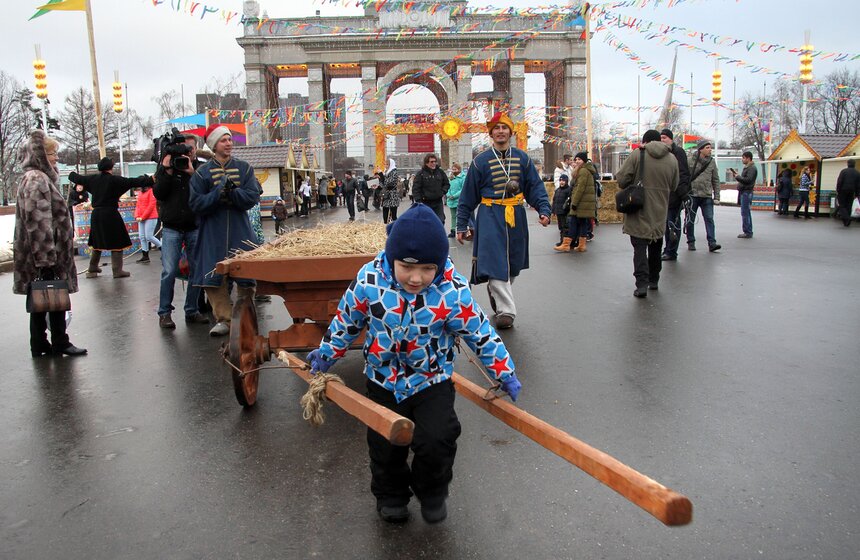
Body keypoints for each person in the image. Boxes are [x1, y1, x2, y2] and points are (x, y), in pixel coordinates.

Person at [305, 203, 521, 524]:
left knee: (438, 439)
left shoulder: (452, 291)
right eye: (406, 267)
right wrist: (327, 353)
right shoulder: (369, 281)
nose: (416, 278)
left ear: (440, 264)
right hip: (383, 379)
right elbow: (347, 321)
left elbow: (480, 334)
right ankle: (391, 495)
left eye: (427, 268)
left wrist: (504, 372)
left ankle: (432, 490)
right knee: (384, 444)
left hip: (431, 379)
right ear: (392, 258)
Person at [455, 112, 552, 329]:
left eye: (504, 127)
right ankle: (506, 311)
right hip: (490, 216)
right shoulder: (480, 161)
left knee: (512, 266)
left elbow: (535, 187)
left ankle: (496, 292)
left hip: (516, 216)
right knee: (495, 262)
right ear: (490, 133)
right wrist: (462, 224)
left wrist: (543, 209)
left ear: (510, 131)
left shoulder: (523, 158)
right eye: (496, 128)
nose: (500, 131)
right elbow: (468, 196)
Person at [13, 130, 86, 357]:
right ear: (40, 155)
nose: (55, 158)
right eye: (51, 153)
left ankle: (42, 342)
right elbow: (38, 222)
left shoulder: (37, 177)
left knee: (42, 299)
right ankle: (59, 341)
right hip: (46, 255)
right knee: (52, 297)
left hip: (45, 254)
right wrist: (46, 259)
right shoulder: (37, 179)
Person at [189, 124, 260, 337]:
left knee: (246, 276)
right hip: (212, 231)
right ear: (214, 144)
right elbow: (195, 203)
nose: (229, 143)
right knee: (213, 277)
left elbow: (251, 196)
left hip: (240, 229)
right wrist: (217, 194)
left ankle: (244, 315)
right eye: (224, 140)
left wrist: (234, 194)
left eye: (230, 139)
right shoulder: (202, 174)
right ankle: (224, 319)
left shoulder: (244, 168)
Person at [152, 132, 209, 329]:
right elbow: (158, 193)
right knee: (169, 271)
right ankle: (164, 313)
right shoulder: (166, 169)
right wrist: (167, 170)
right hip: (171, 228)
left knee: (196, 270)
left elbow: (204, 191)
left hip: (194, 225)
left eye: (190, 149)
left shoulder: (199, 170)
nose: (187, 153)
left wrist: (192, 173)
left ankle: (192, 310)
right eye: (184, 149)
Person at [615, 129, 678, 298]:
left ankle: (641, 284)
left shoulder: (638, 154)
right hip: (660, 210)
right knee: (656, 246)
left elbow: (621, 180)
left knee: (640, 248)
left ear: (645, 141)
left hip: (639, 209)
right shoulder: (672, 159)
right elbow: (675, 185)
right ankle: (654, 280)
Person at [70, 157, 153, 279]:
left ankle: (92, 268)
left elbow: (76, 178)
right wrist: (150, 179)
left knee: (97, 240)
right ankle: (117, 270)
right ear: (111, 168)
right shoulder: (115, 180)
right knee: (117, 240)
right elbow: (132, 181)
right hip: (110, 213)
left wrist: (71, 173)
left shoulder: (92, 179)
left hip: (96, 214)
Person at [659, 129, 693, 260]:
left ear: (671, 139)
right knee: (667, 224)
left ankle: (671, 251)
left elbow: (683, 173)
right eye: (661, 138)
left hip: (674, 194)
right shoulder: (663, 153)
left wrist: (682, 193)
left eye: (665, 138)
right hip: (665, 194)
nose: (662, 140)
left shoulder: (678, 152)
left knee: (672, 223)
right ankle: (667, 249)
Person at [684, 139, 722, 253]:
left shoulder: (711, 162)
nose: (710, 150)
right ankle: (691, 241)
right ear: (701, 149)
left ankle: (712, 242)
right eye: (707, 147)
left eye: (710, 147)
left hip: (706, 195)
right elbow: (684, 176)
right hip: (693, 195)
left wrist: (717, 196)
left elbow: (715, 179)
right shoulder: (690, 160)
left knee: (709, 219)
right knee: (690, 219)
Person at [556, 151, 596, 253]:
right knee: (582, 223)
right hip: (585, 202)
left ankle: (566, 244)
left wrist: (574, 203)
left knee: (572, 222)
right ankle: (582, 245)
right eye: (576, 159)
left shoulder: (583, 171)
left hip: (580, 203)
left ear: (584, 160)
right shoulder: (587, 170)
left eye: (579, 159)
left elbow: (580, 188)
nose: (577, 161)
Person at [412, 153, 450, 225]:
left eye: (435, 161)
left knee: (440, 221)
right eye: (431, 162)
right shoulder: (421, 174)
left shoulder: (440, 172)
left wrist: (442, 192)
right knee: (426, 222)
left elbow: (446, 184)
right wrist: (418, 201)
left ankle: (438, 236)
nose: (434, 163)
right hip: (425, 202)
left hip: (438, 202)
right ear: (426, 163)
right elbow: (416, 188)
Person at [731, 151, 758, 238]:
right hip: (745, 191)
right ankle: (748, 231)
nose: (742, 160)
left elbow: (748, 180)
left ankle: (747, 231)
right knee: (746, 212)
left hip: (747, 192)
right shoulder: (748, 168)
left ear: (748, 158)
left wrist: (738, 177)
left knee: (745, 212)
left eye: (743, 158)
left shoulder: (751, 168)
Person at [134, 183, 161, 263]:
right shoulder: (140, 192)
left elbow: (151, 205)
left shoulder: (151, 191)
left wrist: (143, 217)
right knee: (142, 237)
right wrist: (136, 215)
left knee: (149, 236)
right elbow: (138, 205)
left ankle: (163, 249)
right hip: (141, 217)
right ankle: (145, 256)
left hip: (151, 217)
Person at [835, 159, 860, 227]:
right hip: (852, 191)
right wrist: (857, 194)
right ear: (854, 164)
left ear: (847, 164)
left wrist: (838, 190)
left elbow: (839, 181)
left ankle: (847, 218)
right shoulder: (857, 173)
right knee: (849, 205)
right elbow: (858, 185)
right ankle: (846, 222)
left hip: (843, 190)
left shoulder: (843, 171)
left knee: (842, 205)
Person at [550, 173, 572, 247]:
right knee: (560, 227)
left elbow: (569, 201)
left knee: (565, 227)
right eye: (560, 180)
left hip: (565, 212)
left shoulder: (568, 190)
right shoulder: (558, 190)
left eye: (563, 181)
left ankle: (565, 242)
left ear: (566, 181)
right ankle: (562, 240)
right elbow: (554, 200)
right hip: (559, 212)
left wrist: (567, 209)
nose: (561, 182)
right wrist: (553, 210)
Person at [446, 163, 465, 238]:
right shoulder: (451, 178)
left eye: (455, 169)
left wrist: (454, 196)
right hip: (451, 200)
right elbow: (447, 187)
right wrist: (448, 195)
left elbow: (463, 189)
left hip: (459, 200)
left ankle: (462, 230)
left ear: (459, 169)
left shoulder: (463, 177)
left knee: (460, 216)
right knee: (453, 216)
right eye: (453, 169)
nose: (454, 171)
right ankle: (453, 230)